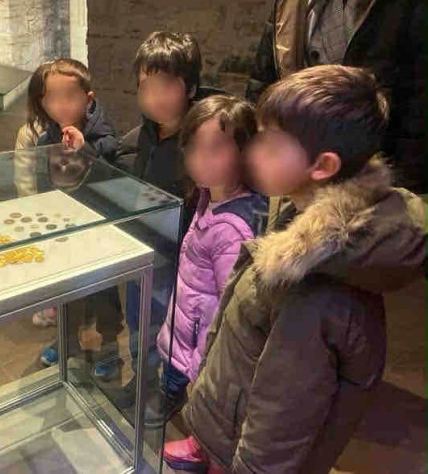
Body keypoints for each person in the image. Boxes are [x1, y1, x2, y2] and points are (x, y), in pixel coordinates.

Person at [164, 65, 426, 473]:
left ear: (322, 165)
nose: (252, 153)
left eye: (270, 146)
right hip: (229, 414)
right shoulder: (297, 206)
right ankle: (208, 440)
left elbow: (281, 418)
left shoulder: (319, 290)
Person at [146, 96, 268, 429]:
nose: (201, 159)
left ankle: (193, 419)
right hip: (190, 319)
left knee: (198, 397)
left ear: (244, 152)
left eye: (216, 148)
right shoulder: (209, 196)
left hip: (203, 337)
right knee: (174, 368)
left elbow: (231, 307)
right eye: (194, 147)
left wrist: (207, 363)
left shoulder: (231, 228)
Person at [246, 0, 426, 193]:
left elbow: (418, 104)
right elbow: (265, 77)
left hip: (372, 174)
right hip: (294, 163)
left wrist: (405, 186)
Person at [101, 31, 204, 406]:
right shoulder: (139, 137)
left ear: (190, 88)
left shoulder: (202, 140)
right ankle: (142, 379)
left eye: (166, 86)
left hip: (183, 259)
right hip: (144, 251)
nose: (154, 98)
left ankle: (171, 391)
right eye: (146, 88)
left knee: (176, 327)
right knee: (139, 320)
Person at [11, 58, 124, 370]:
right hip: (64, 230)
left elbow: (113, 172)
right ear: (42, 101)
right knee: (65, 290)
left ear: (88, 99)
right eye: (52, 97)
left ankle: (110, 346)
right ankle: (66, 340)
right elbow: (42, 180)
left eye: (69, 96)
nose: (60, 105)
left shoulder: (102, 135)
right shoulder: (46, 138)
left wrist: (85, 148)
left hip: (99, 230)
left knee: (104, 292)